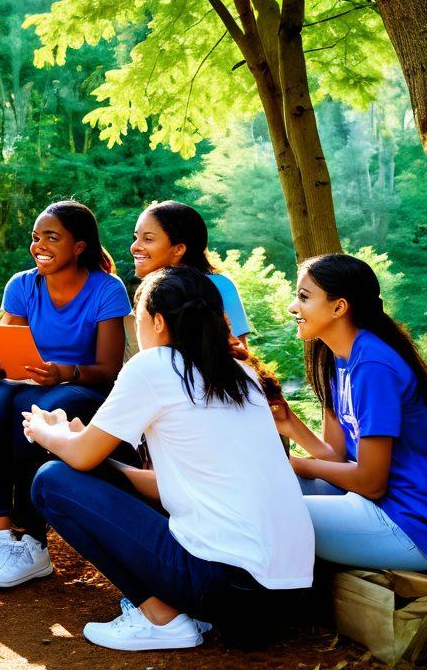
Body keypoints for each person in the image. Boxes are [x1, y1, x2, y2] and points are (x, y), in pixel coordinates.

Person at [26, 266, 314, 652]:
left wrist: (44, 429)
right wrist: (101, 460)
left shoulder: (155, 365)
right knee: (103, 469)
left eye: (138, 319)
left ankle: (159, 618)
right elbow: (181, 484)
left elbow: (77, 457)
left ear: (158, 322)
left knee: (50, 481)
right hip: (285, 598)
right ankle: (180, 611)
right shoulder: (242, 374)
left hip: (226, 586)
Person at [0, 200, 131, 588]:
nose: (39, 244)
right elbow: (6, 344)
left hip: (84, 389)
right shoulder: (22, 285)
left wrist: (65, 372)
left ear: (79, 246)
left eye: (51, 237)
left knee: (39, 407)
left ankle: (33, 542)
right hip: (30, 383)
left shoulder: (106, 289)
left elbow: (109, 368)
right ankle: (1, 534)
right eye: (36, 237)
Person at [273, 254, 427, 571]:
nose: (293, 307)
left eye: (303, 297)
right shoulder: (337, 359)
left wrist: (296, 464)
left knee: (265, 511)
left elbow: (371, 482)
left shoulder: (372, 366)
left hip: (407, 521)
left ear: (339, 307)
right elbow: (336, 458)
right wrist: (291, 425)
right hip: (374, 502)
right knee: (260, 486)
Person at [130, 201, 250, 346]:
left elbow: (240, 353)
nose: (134, 247)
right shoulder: (147, 291)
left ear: (178, 249)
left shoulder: (219, 285)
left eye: (148, 239)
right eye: (136, 237)